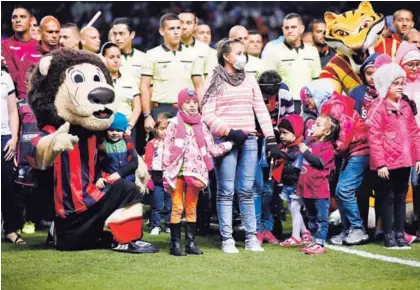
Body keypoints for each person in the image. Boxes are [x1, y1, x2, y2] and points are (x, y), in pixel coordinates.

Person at [202, 38, 284, 253]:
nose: (243, 57)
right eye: (238, 53)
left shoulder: (249, 79)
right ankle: (227, 238)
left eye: (244, 52)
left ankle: (251, 237)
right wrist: (229, 131)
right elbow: (207, 113)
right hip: (226, 141)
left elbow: (260, 109)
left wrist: (271, 139)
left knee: (247, 190)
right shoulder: (214, 79)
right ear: (226, 56)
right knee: (226, 190)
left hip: (249, 140)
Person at [163, 88, 233, 256]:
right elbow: (167, 148)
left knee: (192, 207)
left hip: (196, 173)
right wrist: (165, 171)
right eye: (188, 103)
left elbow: (211, 149)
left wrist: (230, 144)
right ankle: (175, 245)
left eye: (195, 102)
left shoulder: (202, 125)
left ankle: (190, 243)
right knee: (178, 207)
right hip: (177, 172)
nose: (192, 106)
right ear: (180, 105)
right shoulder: (173, 124)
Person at [301, 80, 370, 246]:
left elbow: (346, 127)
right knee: (340, 192)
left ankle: (357, 228)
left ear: (315, 95)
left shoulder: (334, 106)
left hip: (359, 149)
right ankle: (348, 230)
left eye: (308, 99)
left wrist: (331, 150)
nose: (307, 105)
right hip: (352, 152)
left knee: (344, 190)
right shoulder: (331, 106)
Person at [367, 56, 420, 249]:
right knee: (387, 198)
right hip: (388, 163)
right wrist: (380, 163)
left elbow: (415, 132)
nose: (400, 87)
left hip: (405, 161)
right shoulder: (378, 107)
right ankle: (388, 234)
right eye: (395, 83)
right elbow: (374, 137)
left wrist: (417, 156)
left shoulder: (405, 106)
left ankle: (400, 233)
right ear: (385, 85)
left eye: (402, 83)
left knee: (400, 196)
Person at [141, 13, 203, 134]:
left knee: (188, 149)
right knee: (162, 149)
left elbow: (199, 86)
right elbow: (144, 87)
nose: (176, 32)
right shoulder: (152, 54)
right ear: (162, 31)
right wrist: (147, 115)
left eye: (178, 28)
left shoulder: (193, 54)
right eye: (171, 28)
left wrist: (200, 110)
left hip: (187, 108)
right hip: (161, 109)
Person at [255, 70, 294, 243]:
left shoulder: (285, 94)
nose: (268, 98)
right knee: (255, 188)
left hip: (276, 144)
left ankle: (268, 228)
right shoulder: (253, 92)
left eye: (271, 94)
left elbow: (289, 119)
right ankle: (255, 229)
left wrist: (277, 139)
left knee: (271, 189)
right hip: (254, 143)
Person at [297, 115, 340, 254]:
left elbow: (319, 162)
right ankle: (314, 240)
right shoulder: (311, 142)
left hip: (319, 189)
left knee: (321, 217)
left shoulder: (328, 147)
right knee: (311, 216)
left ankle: (320, 244)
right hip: (307, 187)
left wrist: (305, 152)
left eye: (318, 124)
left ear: (327, 132)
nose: (314, 126)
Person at [263, 13, 322, 114]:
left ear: (302, 29)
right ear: (283, 30)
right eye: (286, 28)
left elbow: (316, 80)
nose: (290, 30)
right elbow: (268, 84)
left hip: (308, 104)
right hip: (284, 105)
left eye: (293, 27)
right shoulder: (273, 52)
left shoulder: (312, 51)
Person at [271, 115, 311, 247]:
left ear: (296, 131)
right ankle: (305, 232)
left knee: (295, 207)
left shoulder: (301, 146)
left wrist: (280, 154)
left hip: (297, 184)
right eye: (280, 133)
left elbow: (294, 158)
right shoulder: (285, 146)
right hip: (288, 184)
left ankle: (295, 236)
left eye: (285, 133)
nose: (281, 136)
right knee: (292, 207)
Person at [1, 62, 23, 244]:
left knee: (7, 185)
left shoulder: (5, 78)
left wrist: (14, 138)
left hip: (5, 137)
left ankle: (10, 229)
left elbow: (13, 111)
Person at [100, 42, 141, 136]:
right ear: (103, 59)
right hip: (105, 129)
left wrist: (129, 127)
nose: (116, 60)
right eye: (111, 57)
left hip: (127, 129)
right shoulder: (98, 80)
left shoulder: (129, 79)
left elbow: (137, 106)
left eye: (118, 57)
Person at [145, 112, 172, 235]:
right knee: (157, 204)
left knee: (169, 204)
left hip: (170, 176)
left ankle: (169, 225)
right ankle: (155, 225)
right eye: (162, 129)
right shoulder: (151, 143)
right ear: (156, 128)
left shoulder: (174, 143)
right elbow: (148, 160)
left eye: (168, 129)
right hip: (156, 176)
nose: (165, 132)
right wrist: (148, 176)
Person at [96, 113, 139, 190]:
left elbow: (134, 162)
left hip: (128, 180)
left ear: (123, 131)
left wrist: (120, 173)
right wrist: (98, 178)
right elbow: (97, 164)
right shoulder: (103, 144)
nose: (115, 133)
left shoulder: (127, 142)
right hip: (110, 180)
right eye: (111, 130)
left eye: (119, 130)